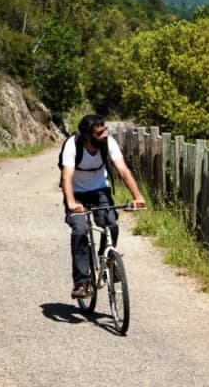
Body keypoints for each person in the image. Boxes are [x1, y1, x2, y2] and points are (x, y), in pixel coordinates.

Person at [61, 114, 146, 299]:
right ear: (87, 136)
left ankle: (106, 260)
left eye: (105, 130)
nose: (105, 134)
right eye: (100, 133)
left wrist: (137, 196)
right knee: (80, 229)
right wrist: (71, 203)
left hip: (100, 190)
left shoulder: (108, 143)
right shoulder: (72, 145)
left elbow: (123, 170)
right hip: (76, 194)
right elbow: (66, 177)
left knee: (112, 223)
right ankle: (82, 282)